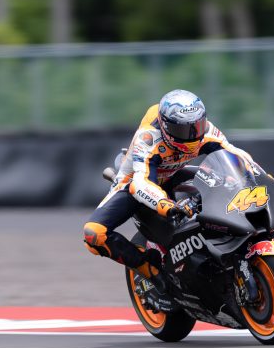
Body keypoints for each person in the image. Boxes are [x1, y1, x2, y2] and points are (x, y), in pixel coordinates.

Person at [82, 89, 258, 290]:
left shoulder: (206, 130)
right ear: (166, 127)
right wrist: (166, 205)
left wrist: (261, 176)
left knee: (227, 179)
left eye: (197, 126)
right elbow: (141, 183)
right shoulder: (148, 138)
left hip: (174, 174)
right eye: (184, 131)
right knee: (94, 233)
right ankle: (148, 268)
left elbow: (234, 154)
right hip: (135, 184)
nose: (193, 135)